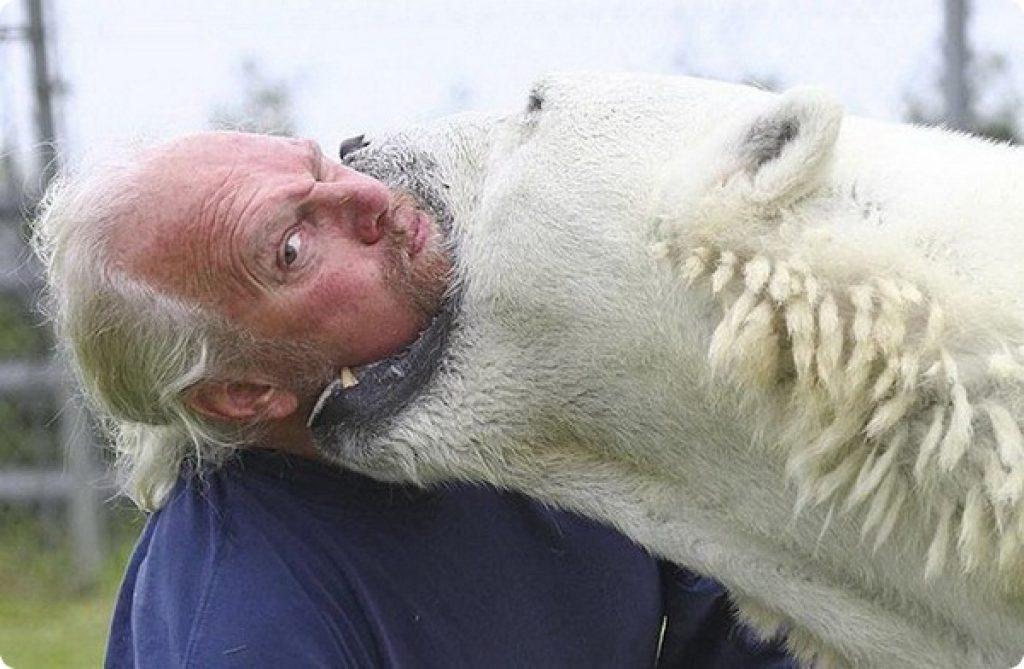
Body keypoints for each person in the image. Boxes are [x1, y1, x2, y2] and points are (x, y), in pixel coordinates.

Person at [33, 131, 796, 667]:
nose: (367, 194)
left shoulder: (540, 372)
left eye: (319, 163)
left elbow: (757, 630)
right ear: (244, 392)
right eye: (292, 248)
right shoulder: (240, 623)